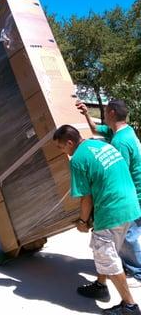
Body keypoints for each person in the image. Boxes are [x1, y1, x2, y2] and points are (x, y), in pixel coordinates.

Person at [53, 125, 141, 315]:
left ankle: (130, 306)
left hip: (112, 210)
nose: (62, 152)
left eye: (61, 148)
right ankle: (101, 285)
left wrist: (83, 222)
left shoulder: (77, 159)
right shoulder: (101, 144)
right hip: (130, 204)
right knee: (107, 249)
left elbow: (86, 197)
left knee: (106, 254)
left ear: (69, 143)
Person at [76, 99, 141, 284]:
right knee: (127, 236)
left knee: (129, 236)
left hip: (135, 194)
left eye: (105, 111)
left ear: (111, 112)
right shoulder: (124, 132)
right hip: (136, 191)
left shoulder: (120, 142)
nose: (103, 114)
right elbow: (97, 130)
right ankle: (129, 267)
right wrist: (87, 114)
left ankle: (137, 271)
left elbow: (119, 174)